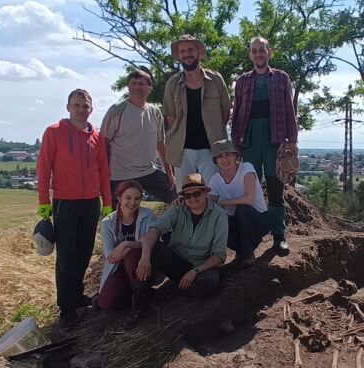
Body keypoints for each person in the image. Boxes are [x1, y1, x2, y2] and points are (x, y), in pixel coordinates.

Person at [37, 89, 112, 329]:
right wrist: (43, 201)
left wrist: (107, 201)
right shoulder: (54, 132)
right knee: (67, 257)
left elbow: (103, 171)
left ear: (91, 108)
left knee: (84, 252)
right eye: (77, 105)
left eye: (85, 105)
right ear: (68, 107)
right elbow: (43, 167)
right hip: (64, 202)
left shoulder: (97, 137)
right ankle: (66, 308)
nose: (81, 109)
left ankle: (77, 294)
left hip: (91, 202)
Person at [124, 173, 228, 329]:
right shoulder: (178, 209)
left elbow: (219, 255)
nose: (192, 198)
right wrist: (144, 257)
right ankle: (139, 307)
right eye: (188, 195)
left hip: (202, 265)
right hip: (177, 261)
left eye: (197, 193)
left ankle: (174, 290)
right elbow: (154, 231)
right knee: (154, 249)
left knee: (208, 285)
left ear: (205, 193)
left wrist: (195, 271)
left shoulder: (219, 215)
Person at [231, 36, 298, 254]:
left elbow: (290, 109)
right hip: (249, 140)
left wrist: (292, 141)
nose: (258, 54)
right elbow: (237, 112)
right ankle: (251, 239)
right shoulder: (242, 81)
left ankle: (279, 237)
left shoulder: (281, 78)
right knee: (250, 189)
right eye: (254, 50)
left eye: (262, 50)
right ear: (250, 54)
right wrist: (235, 144)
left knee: (276, 189)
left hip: (274, 139)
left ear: (269, 52)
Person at [163, 34, 231, 191]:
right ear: (179, 55)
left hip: (211, 150)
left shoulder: (216, 79)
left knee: (214, 195)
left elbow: (225, 113)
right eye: (183, 51)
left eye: (190, 50)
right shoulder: (172, 83)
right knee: (186, 196)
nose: (187, 54)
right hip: (183, 151)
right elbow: (171, 118)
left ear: (198, 52)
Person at [100, 69, 177, 208]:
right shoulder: (117, 110)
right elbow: (103, 143)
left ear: (149, 87)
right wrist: (104, 174)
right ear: (128, 86)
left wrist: (170, 174)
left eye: (141, 83)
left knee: (177, 197)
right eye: (133, 83)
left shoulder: (155, 112)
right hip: (120, 174)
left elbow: (160, 145)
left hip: (148, 171)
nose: (137, 87)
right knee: (117, 215)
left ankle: (167, 228)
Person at [208, 139, 270, 267]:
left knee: (242, 208)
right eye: (220, 156)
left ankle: (247, 253)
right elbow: (209, 206)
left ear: (236, 156)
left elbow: (249, 199)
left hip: (258, 220)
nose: (224, 159)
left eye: (228, 154)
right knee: (216, 218)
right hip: (236, 222)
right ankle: (234, 251)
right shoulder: (215, 179)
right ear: (216, 160)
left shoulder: (246, 168)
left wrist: (224, 202)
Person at [96, 180, 156, 310]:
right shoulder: (108, 222)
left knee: (133, 255)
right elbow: (110, 256)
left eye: (137, 199)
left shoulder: (147, 215)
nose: (132, 203)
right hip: (119, 267)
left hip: (141, 263)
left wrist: (126, 244)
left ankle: (141, 297)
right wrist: (134, 245)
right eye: (128, 198)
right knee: (107, 303)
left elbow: (151, 241)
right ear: (119, 198)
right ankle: (128, 292)